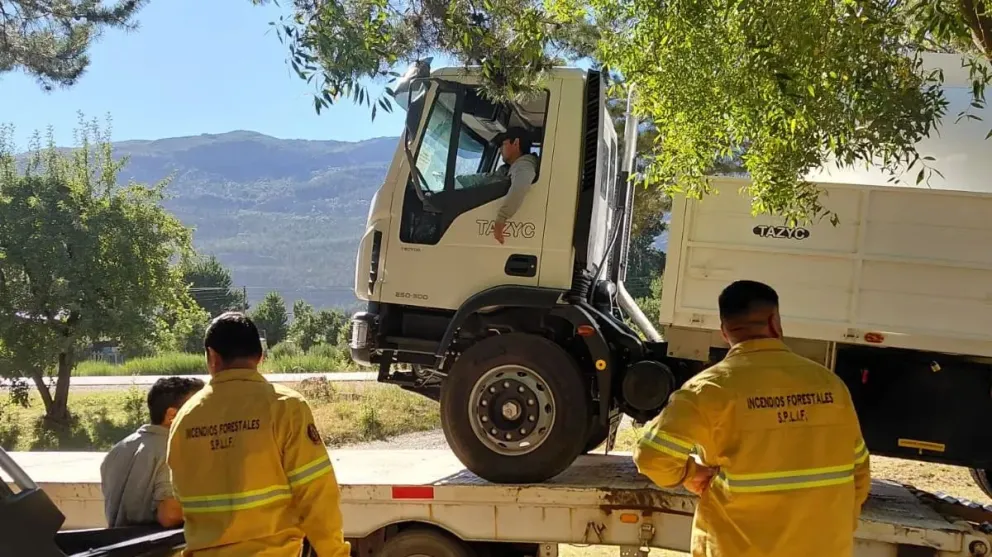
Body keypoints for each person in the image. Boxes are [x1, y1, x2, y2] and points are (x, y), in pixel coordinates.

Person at [633, 280, 871, 557]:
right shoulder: (830, 385)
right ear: (774, 322)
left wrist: (692, 474)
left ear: (725, 332)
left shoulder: (709, 388)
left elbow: (652, 456)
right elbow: (859, 471)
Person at [167, 311, 350, 557]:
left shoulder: (185, 418)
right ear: (260, 356)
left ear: (212, 357)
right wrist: (334, 552)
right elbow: (316, 492)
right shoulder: (285, 407)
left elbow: (179, 498)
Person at [101, 376, 205, 528]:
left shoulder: (118, 450)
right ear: (172, 416)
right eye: (200, 407)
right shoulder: (174, 450)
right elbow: (170, 514)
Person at [490, 126, 539, 244]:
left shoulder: (524, 165)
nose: (500, 149)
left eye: (503, 144)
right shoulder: (512, 167)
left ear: (516, 143)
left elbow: (520, 185)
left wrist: (501, 218)